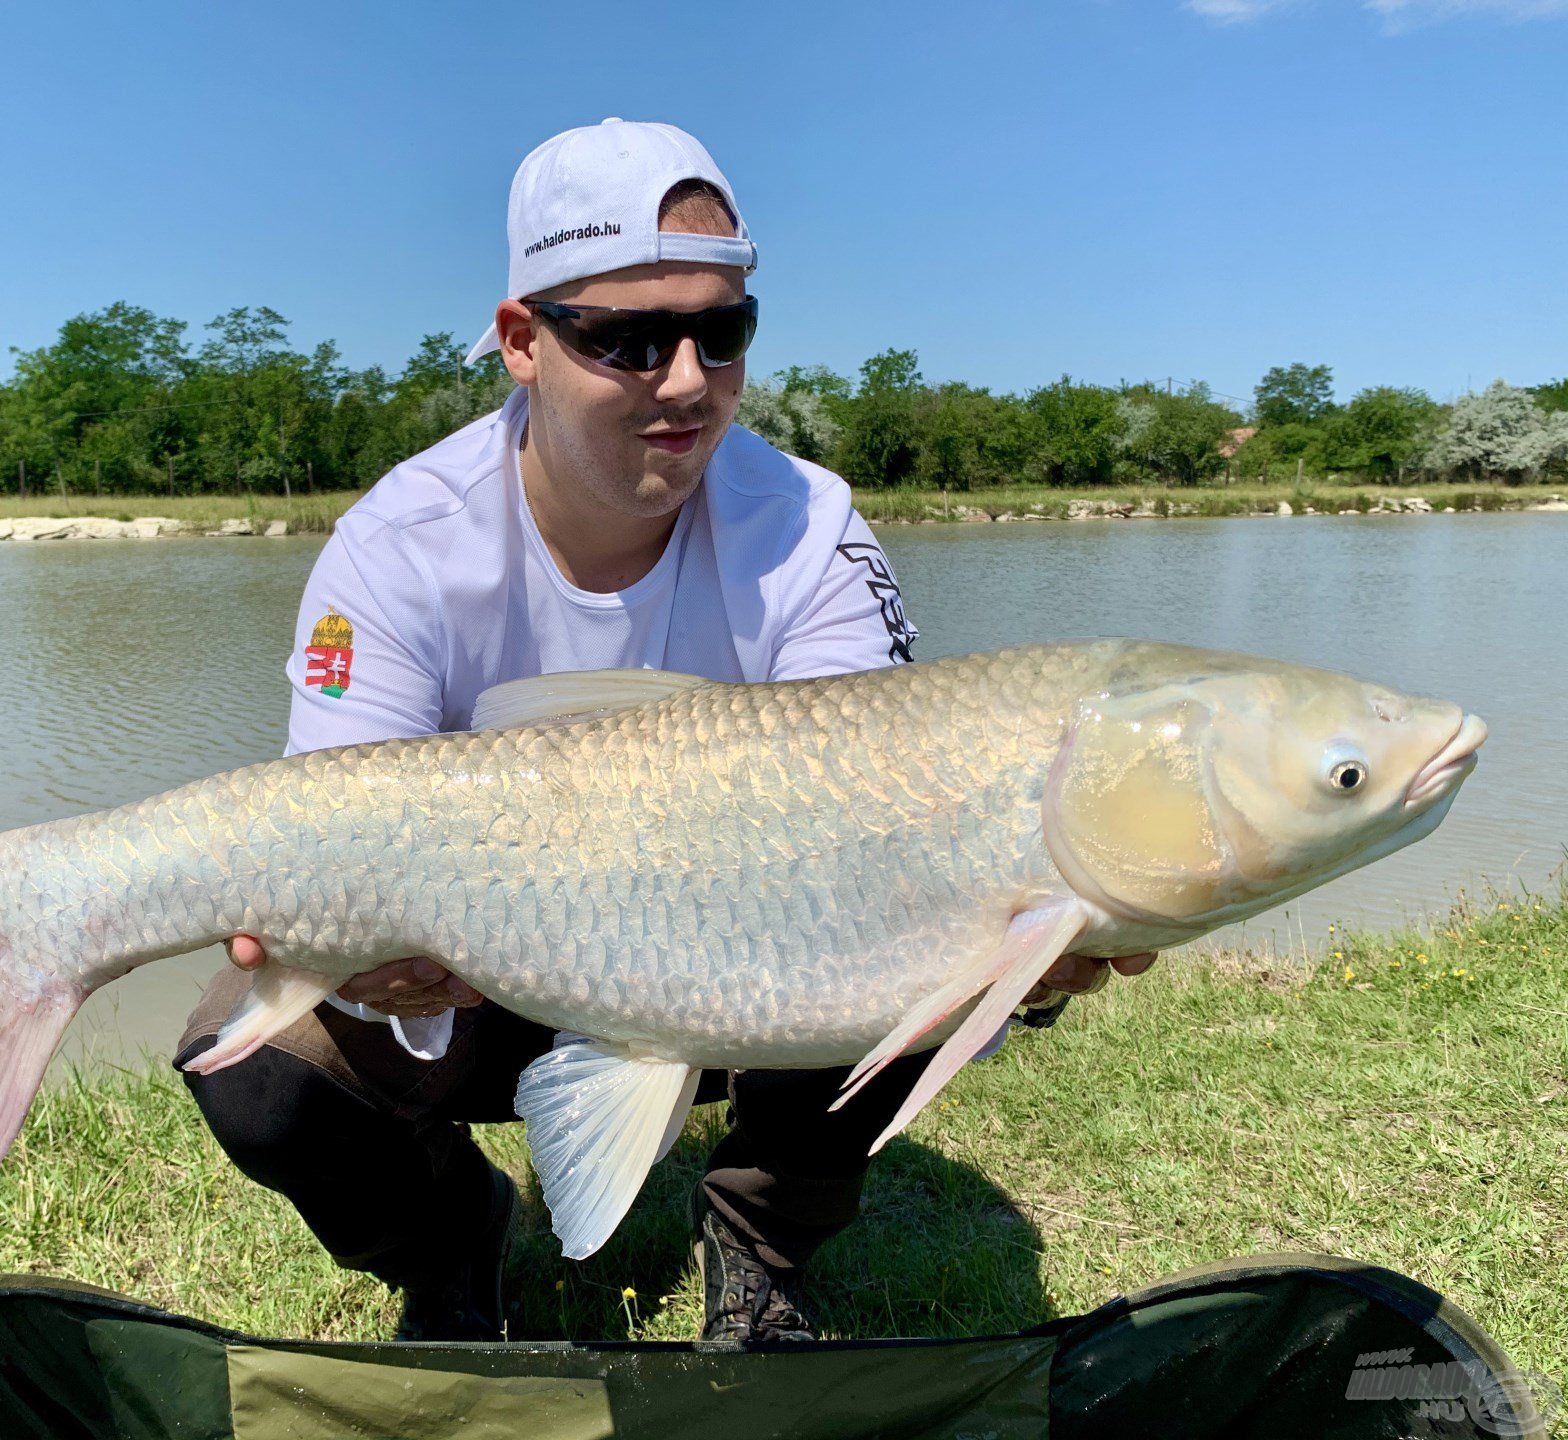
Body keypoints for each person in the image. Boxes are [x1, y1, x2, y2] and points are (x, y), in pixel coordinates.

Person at [174, 118, 1154, 1345]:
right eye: (631, 339)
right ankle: (449, 1236)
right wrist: (356, 960)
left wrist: (1023, 940)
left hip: (751, 942)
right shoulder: (398, 542)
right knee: (255, 1067)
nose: (688, 380)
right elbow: (321, 832)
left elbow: (889, 821)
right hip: (476, 959)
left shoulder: (810, 525)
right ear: (524, 342)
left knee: (927, 941)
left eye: (721, 331)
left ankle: (760, 1234)